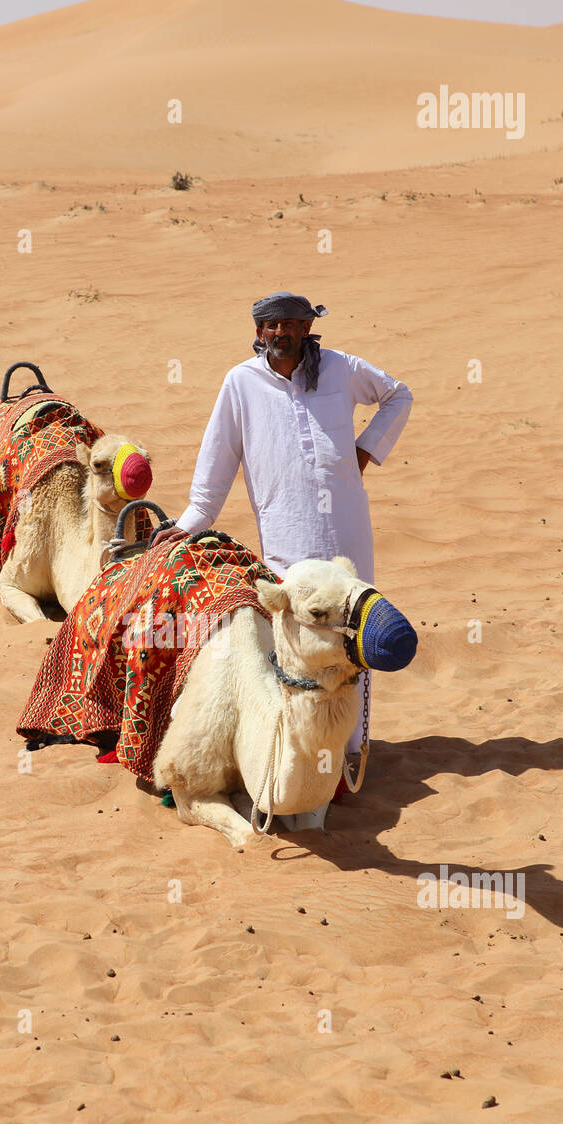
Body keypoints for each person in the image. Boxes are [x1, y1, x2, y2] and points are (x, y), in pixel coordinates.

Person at [154, 291, 413, 771]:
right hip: (286, 538)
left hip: (349, 534)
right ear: (258, 333)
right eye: (272, 325)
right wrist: (191, 522)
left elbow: (399, 394)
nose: (281, 332)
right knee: (298, 643)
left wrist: (363, 452)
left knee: (352, 636)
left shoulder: (340, 368)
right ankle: (296, 752)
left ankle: (351, 750)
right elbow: (216, 467)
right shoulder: (240, 384)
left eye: (291, 323)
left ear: (307, 328)